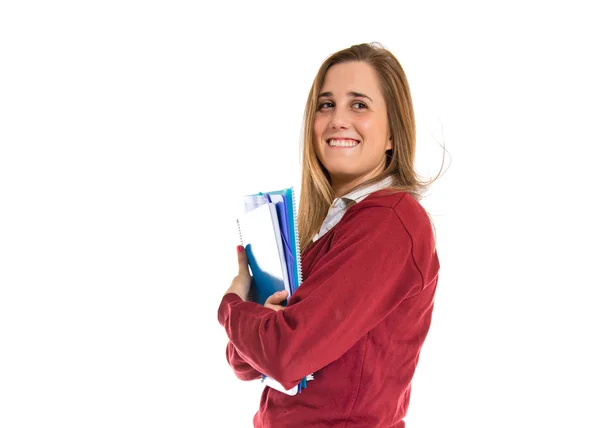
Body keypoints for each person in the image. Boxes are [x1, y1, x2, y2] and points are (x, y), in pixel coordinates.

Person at [218, 42, 442, 427]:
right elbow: (247, 363)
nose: (338, 119)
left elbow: (284, 356)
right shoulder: (335, 226)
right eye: (326, 104)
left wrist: (232, 306)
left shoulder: (389, 222)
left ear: (393, 134)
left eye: (359, 105)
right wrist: (258, 318)